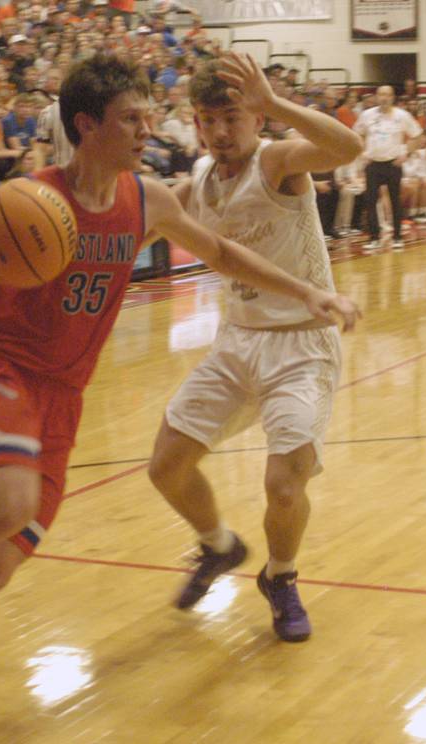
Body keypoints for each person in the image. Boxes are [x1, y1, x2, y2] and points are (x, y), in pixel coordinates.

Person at [0, 54, 360, 718]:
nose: (148, 129)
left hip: (64, 397)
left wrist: (307, 291)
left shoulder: (146, 198)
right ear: (85, 126)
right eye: (133, 118)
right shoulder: (25, 200)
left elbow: (221, 255)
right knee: (9, 502)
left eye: (151, 115)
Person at [148, 55, 362, 643]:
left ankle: (281, 577)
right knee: (165, 466)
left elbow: (348, 147)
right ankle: (219, 547)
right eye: (209, 119)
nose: (221, 131)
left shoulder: (276, 160)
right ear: (195, 122)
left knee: (284, 484)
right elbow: (139, 221)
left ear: (254, 118)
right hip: (237, 342)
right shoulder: (198, 180)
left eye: (233, 117)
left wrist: (276, 104)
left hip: (302, 345)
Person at [353, 85, 423, 251]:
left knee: (395, 201)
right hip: (373, 163)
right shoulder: (367, 115)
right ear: (377, 97)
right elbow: (356, 134)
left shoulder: (402, 115)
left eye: (387, 95)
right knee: (370, 201)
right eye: (381, 94)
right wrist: (362, 153)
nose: (384, 98)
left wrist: (405, 153)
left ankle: (397, 237)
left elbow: (417, 136)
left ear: (392, 97)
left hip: (393, 163)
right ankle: (374, 237)